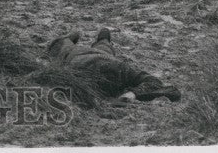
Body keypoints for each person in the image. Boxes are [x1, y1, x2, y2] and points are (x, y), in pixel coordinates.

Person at [46, 29, 180, 102]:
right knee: (60, 45)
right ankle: (81, 38)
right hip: (80, 55)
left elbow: (154, 82)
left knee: (103, 48)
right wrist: (133, 94)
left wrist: (133, 94)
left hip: (102, 56)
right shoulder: (78, 72)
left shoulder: (122, 69)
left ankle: (103, 38)